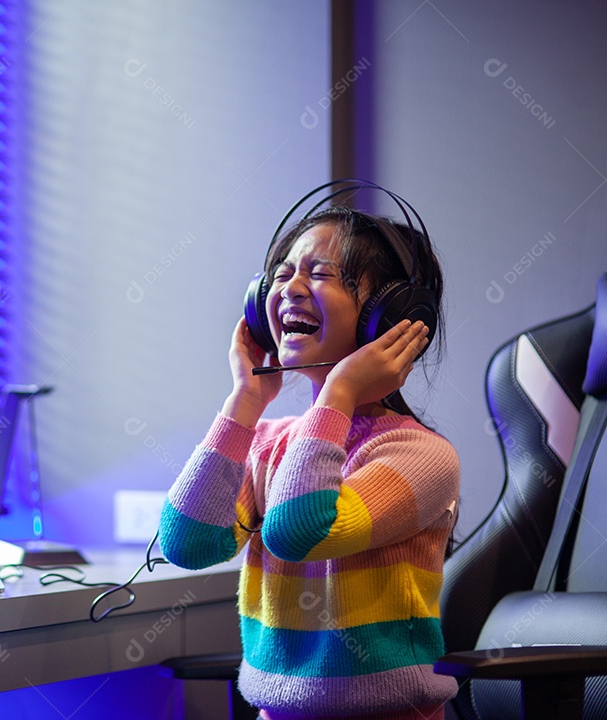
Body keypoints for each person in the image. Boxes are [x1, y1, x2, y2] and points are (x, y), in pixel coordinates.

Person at [159, 205, 460, 720]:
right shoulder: (271, 442)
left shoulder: (420, 456)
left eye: (320, 274)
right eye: (281, 275)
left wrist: (340, 391)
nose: (291, 288)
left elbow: (299, 533)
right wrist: (245, 402)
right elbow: (188, 543)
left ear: (386, 317)